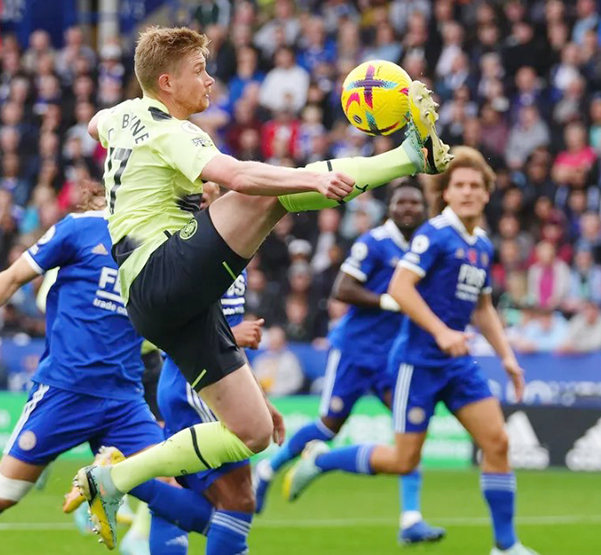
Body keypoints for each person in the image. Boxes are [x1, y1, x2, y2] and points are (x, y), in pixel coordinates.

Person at [75, 25, 452, 548]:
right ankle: (411, 159)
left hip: (164, 304)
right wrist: (311, 179)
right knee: (270, 195)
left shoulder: (122, 116)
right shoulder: (173, 131)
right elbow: (239, 177)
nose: (209, 80)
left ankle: (113, 479)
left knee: (249, 433)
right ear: (166, 82)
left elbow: (95, 125)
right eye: (198, 71)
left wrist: (159, 174)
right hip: (159, 270)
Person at [0, 182, 219, 555]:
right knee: (1, 495)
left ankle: (229, 531)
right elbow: (12, 277)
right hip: (65, 391)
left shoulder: (161, 246)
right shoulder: (78, 230)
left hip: (124, 399)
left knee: (170, 494)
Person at [283, 148, 539, 555]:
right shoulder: (434, 234)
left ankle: (505, 546)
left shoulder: (483, 245)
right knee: (403, 460)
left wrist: (507, 357)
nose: (469, 192)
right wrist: (440, 332)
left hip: (456, 364)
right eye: (461, 185)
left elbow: (483, 306)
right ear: (447, 193)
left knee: (498, 443)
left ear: (487, 194)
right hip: (417, 363)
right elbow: (401, 288)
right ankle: (321, 461)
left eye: (476, 186)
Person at [253, 183, 445, 545]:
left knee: (408, 430)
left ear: (424, 208)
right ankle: (267, 469)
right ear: (390, 208)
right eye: (401, 202)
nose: (408, 208)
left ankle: (410, 519)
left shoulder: (425, 248)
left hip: (392, 357)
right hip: (355, 351)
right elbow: (341, 288)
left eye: (415, 203)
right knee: (328, 426)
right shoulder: (373, 243)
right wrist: (388, 302)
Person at [150, 181, 263, 555]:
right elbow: (173, 320)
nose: (202, 189)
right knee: (239, 501)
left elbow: (222, 345)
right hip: (193, 385)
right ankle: (118, 477)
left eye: (208, 181)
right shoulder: (176, 247)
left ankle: (124, 475)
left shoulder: (228, 249)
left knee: (203, 494)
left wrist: (261, 401)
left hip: (210, 383)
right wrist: (234, 333)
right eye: (193, 181)